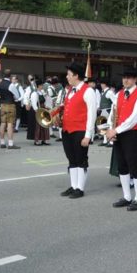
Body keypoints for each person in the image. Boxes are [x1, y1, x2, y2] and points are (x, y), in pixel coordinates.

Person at [106, 68, 137, 211]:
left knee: (133, 166)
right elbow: (113, 112)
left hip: (132, 134)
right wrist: (110, 128)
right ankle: (127, 196)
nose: (125, 80)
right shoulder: (119, 94)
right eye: (124, 77)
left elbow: (134, 119)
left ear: (136, 79)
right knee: (122, 166)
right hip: (118, 133)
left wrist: (115, 130)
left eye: (129, 77)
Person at [59, 62, 97, 198]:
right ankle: (74, 186)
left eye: (69, 74)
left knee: (81, 160)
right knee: (71, 160)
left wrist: (88, 135)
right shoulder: (70, 90)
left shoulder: (88, 91)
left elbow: (92, 115)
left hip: (80, 130)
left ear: (76, 76)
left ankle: (80, 188)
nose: (67, 77)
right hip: (67, 130)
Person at [0, 69, 20, 149]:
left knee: (3, 123)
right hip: (10, 104)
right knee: (10, 124)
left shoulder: (0, 84)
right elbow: (17, 96)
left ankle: (2, 142)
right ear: (10, 76)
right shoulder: (11, 85)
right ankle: (10, 143)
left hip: (2, 105)